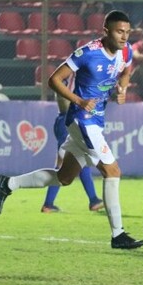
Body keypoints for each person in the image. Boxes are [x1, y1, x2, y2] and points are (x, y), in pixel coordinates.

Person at [0, 10, 143, 250]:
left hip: (94, 120)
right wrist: (78, 100)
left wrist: (122, 90)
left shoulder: (125, 51)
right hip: (82, 119)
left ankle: (8, 183)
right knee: (113, 170)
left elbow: (126, 70)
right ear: (106, 31)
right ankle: (118, 234)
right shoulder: (88, 53)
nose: (124, 36)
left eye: (127, 32)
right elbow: (54, 79)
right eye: (119, 31)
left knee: (64, 177)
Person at [41, 83, 104, 213]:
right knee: (63, 166)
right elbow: (63, 100)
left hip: (66, 120)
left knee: (81, 163)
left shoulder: (73, 77)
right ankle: (48, 204)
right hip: (66, 122)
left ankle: (93, 201)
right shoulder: (70, 76)